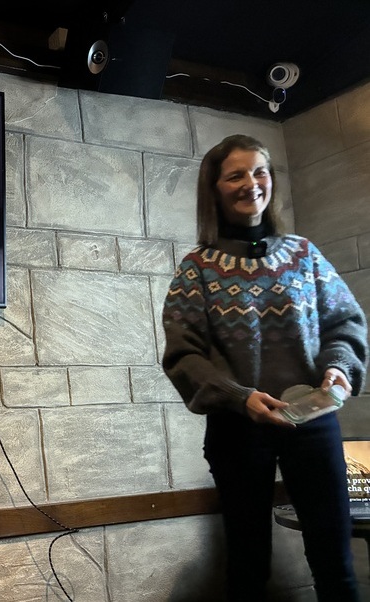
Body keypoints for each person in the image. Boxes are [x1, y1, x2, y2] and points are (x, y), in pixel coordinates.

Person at [161, 134, 368, 601]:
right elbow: (182, 353)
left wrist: (338, 367)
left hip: (313, 424)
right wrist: (239, 397)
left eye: (260, 172)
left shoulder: (303, 254)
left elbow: (346, 322)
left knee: (336, 564)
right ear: (214, 188)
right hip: (238, 429)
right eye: (235, 174)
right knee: (248, 567)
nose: (251, 183)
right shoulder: (196, 269)